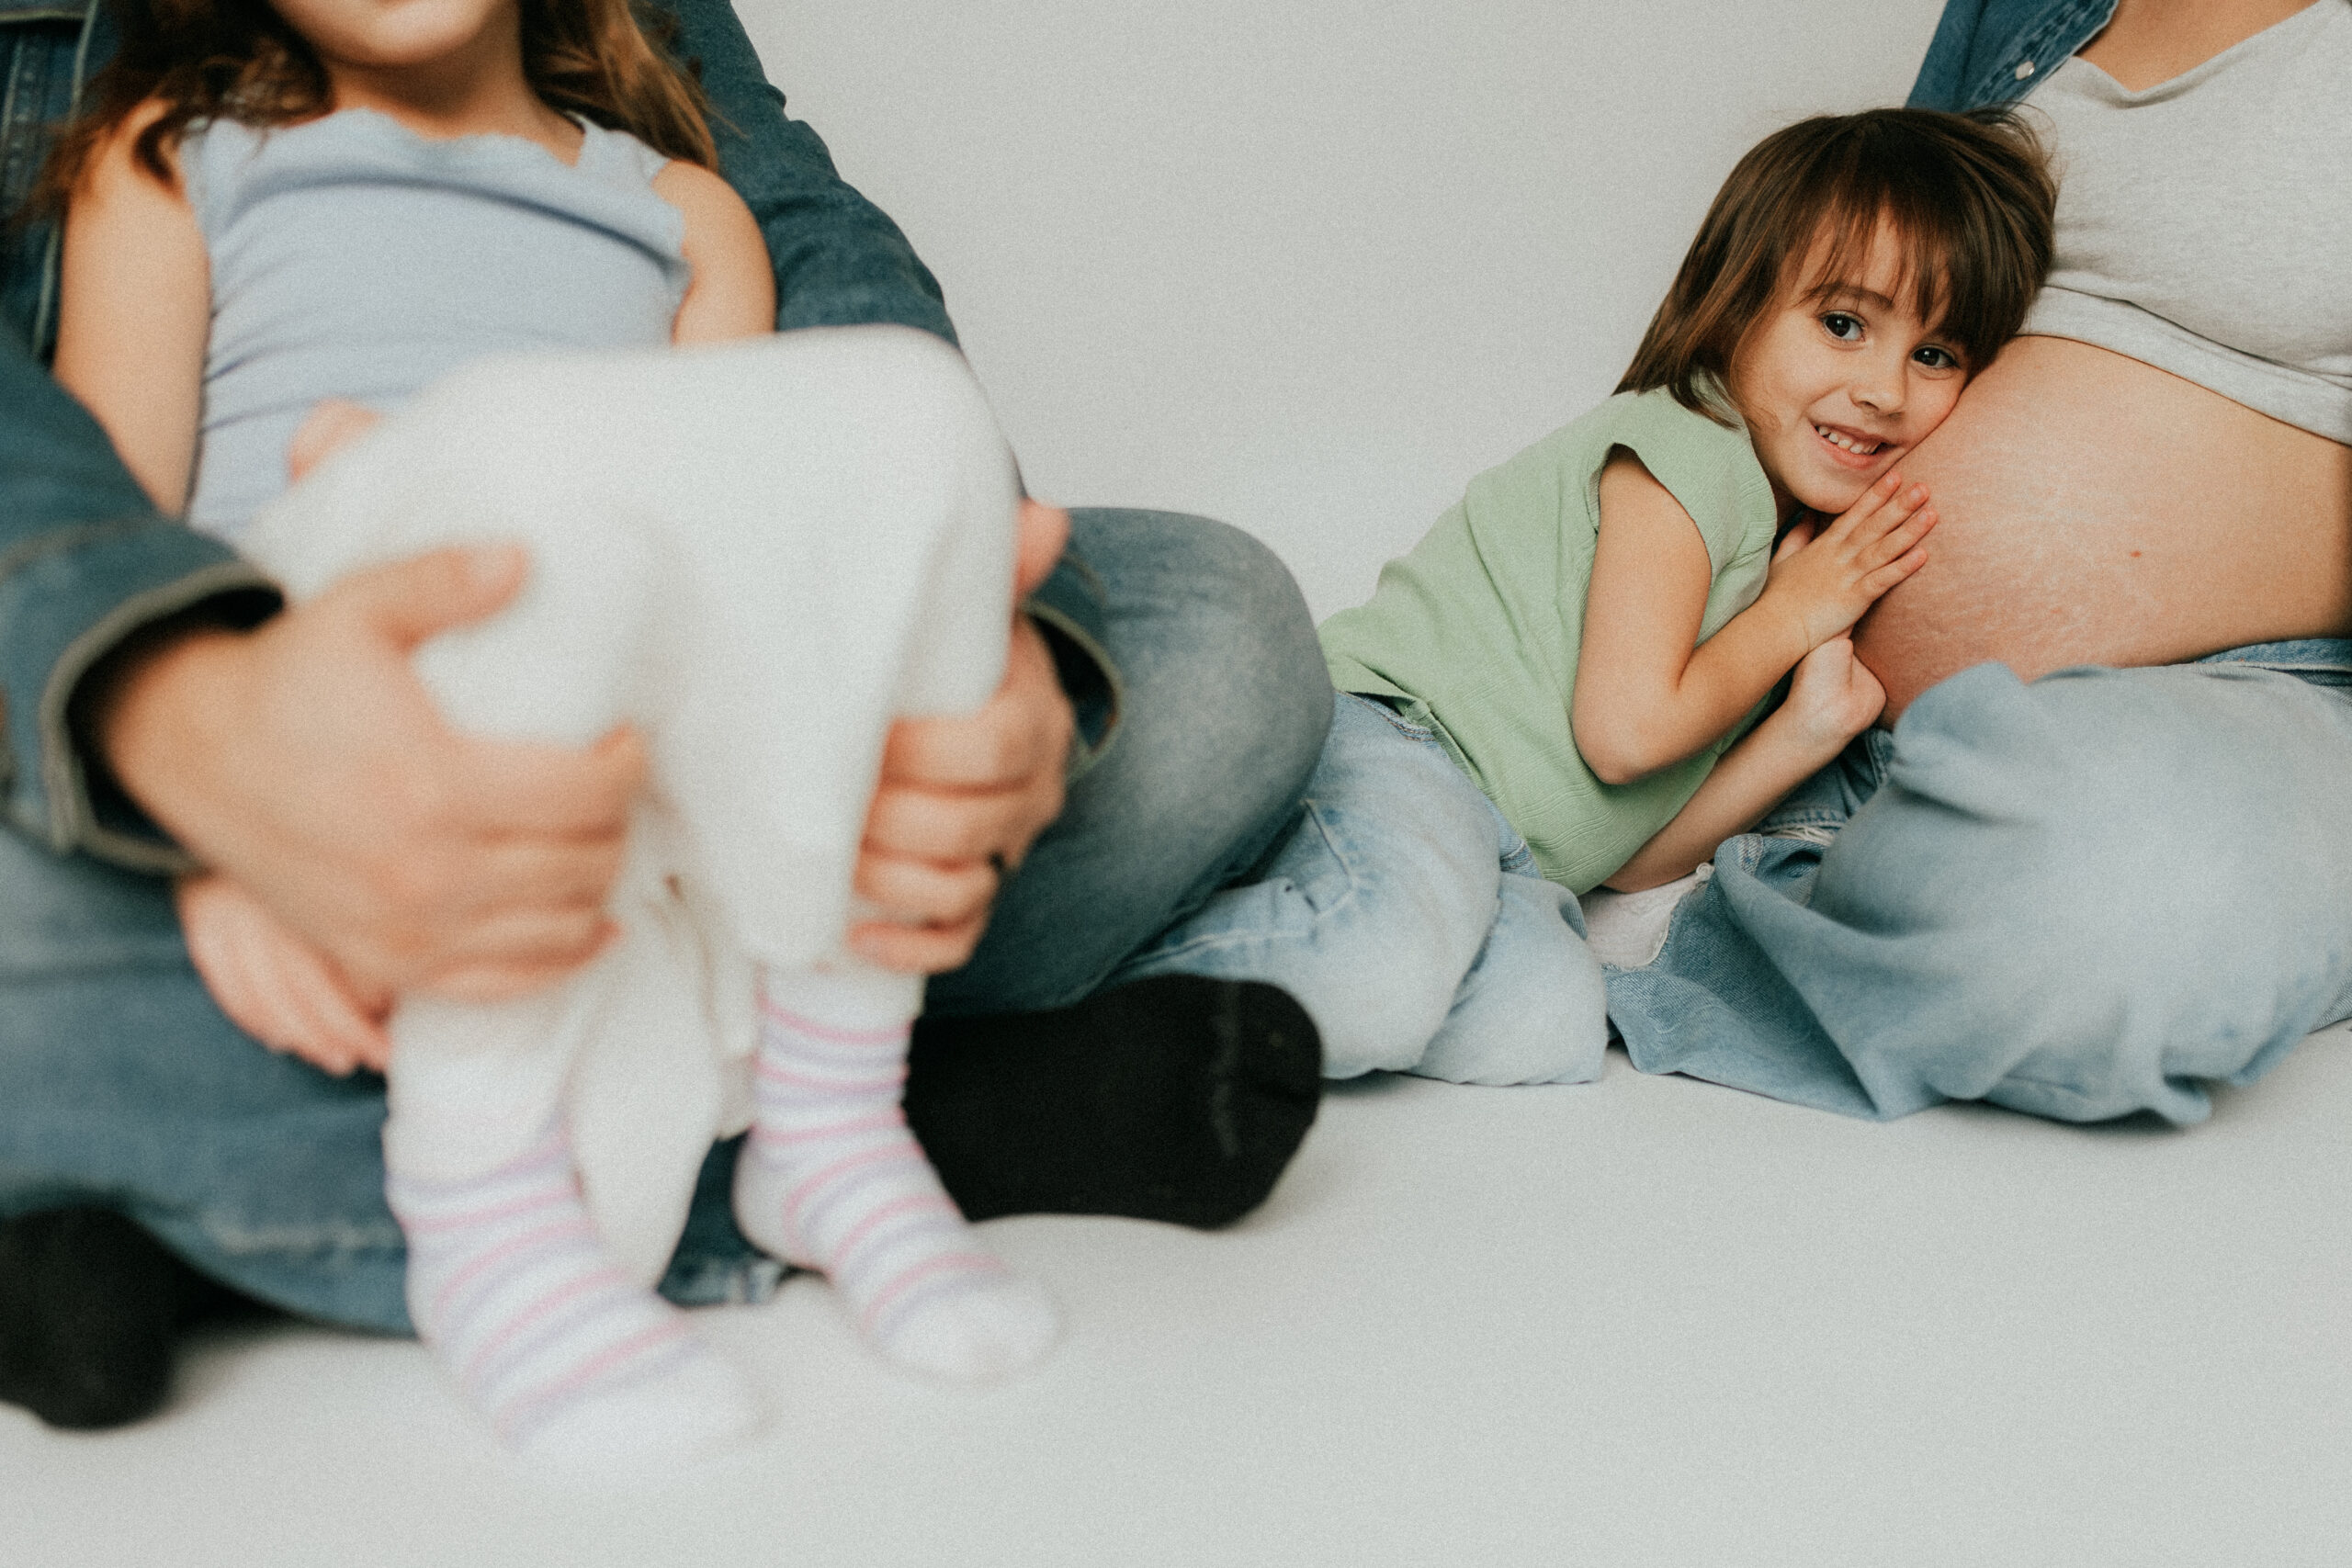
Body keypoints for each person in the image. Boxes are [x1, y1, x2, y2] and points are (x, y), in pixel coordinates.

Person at [0, 0, 1333, 1431]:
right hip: (297, 698)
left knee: (935, 431)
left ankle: (819, 1110)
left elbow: (752, 552)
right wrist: (202, 814)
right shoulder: (171, 157)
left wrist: (951, 649)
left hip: (620, 795)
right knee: (521, 457)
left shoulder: (688, 211)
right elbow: (120, 513)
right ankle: (532, 1179)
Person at [1116, 109, 2054, 1090]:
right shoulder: (1694, 448)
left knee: (1551, 1028)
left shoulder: (1782, 569)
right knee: (1383, 973)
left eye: (1936, 355)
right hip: (1391, 745)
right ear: (1736, 307)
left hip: (1508, 859)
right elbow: (1625, 736)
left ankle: (1229, 995)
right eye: (1843, 325)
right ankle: (1038, 1006)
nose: (1883, 390)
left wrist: (1806, 730)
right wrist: (1796, 614)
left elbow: (1631, 865)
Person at [1601, 0, 2352, 1122]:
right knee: (1453, 709)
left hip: (2250, 698)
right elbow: (1846, 278)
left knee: (2118, 914)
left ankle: (1671, 918)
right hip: (1791, 664)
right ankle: (1755, 849)